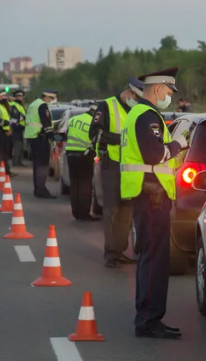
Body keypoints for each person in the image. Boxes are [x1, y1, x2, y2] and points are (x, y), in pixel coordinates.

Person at [120, 68, 188, 339]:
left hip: (148, 195)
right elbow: (154, 153)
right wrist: (178, 145)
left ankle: (148, 317)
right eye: (169, 92)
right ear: (158, 89)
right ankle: (148, 320)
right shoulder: (148, 116)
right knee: (155, 259)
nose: (169, 97)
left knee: (151, 258)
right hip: (152, 196)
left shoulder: (137, 114)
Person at [89, 77, 144, 268]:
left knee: (127, 210)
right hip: (111, 164)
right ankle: (110, 253)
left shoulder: (137, 110)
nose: (136, 101)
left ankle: (120, 250)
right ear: (128, 92)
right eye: (135, 97)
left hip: (131, 166)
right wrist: (120, 139)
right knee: (112, 209)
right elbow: (94, 133)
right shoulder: (106, 106)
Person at [66, 104, 100, 221]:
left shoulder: (73, 119)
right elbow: (96, 141)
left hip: (70, 154)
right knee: (85, 185)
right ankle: (84, 213)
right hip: (84, 155)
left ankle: (75, 211)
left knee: (75, 184)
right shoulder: (94, 123)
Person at [25, 90, 57, 198]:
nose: (51, 101)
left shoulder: (33, 104)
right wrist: (52, 136)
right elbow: (46, 122)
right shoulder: (42, 105)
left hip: (32, 136)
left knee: (37, 164)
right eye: (51, 98)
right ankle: (41, 189)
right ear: (47, 97)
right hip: (40, 137)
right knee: (42, 165)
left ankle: (38, 189)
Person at [9, 90, 27, 166]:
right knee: (17, 145)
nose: (20, 98)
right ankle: (16, 162)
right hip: (16, 128)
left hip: (20, 127)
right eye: (18, 96)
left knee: (20, 145)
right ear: (15, 97)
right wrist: (23, 118)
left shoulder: (20, 105)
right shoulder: (13, 105)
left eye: (21, 96)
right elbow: (15, 117)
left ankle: (19, 161)